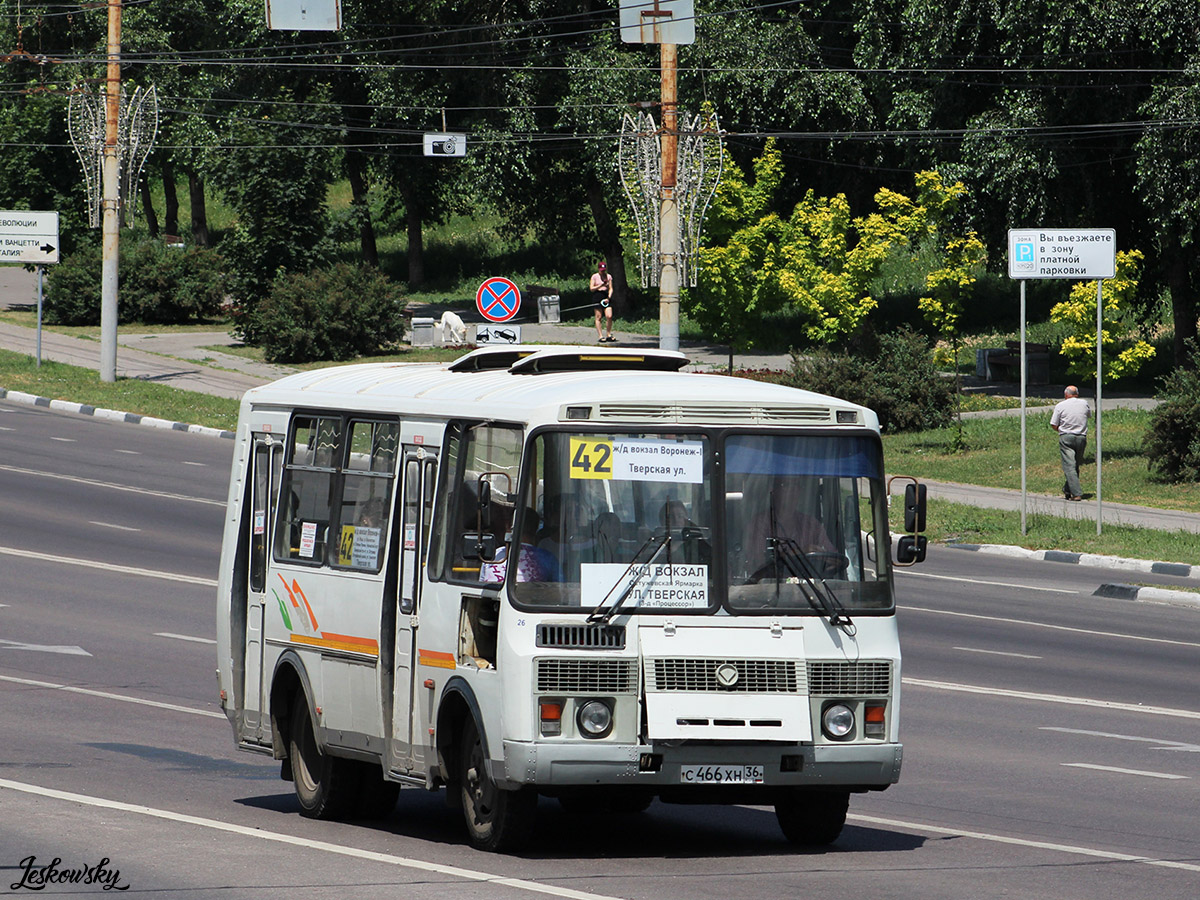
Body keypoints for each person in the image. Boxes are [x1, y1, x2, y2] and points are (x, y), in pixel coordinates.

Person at [1050, 385, 1090, 501]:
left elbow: (1053, 424)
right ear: (1077, 394)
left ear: (1066, 395)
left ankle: (1076, 493)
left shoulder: (1060, 406)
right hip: (1082, 437)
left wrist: (1061, 430)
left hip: (1066, 437)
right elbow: (1088, 416)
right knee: (1075, 464)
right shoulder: (1084, 403)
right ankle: (1068, 489)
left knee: (1069, 466)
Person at [590, 260, 614, 343]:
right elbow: (591, 288)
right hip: (597, 296)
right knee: (598, 316)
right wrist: (600, 285)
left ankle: (608, 334)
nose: (603, 271)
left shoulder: (609, 276)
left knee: (609, 316)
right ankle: (600, 336)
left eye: (604, 270)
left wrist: (608, 297)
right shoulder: (594, 276)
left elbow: (611, 288)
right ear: (598, 269)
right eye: (601, 270)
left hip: (605, 296)